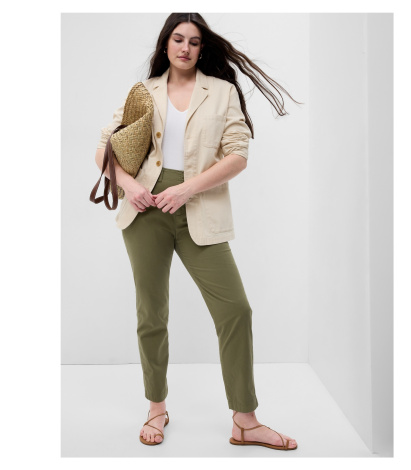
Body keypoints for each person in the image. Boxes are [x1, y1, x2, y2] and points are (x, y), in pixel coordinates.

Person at [94, 13, 301, 451]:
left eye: (193, 41)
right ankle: (156, 408)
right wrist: (130, 186)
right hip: (145, 210)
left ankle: (245, 421)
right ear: (165, 44)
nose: (185, 47)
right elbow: (104, 149)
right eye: (177, 39)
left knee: (236, 310)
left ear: (202, 48)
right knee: (152, 313)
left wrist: (187, 189)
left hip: (199, 208)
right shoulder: (143, 91)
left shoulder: (222, 91)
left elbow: (237, 155)